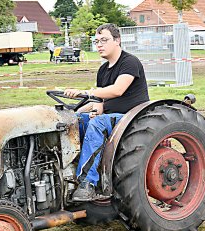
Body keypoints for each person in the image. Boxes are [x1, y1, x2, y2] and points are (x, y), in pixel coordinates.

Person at [64, 23, 149, 201]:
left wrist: (86, 92)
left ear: (117, 40)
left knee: (98, 123)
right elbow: (100, 102)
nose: (99, 45)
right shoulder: (103, 70)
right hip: (110, 116)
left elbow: (117, 90)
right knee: (75, 120)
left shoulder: (129, 62)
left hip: (131, 118)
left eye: (104, 40)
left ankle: (88, 182)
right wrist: (77, 111)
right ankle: (67, 174)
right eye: (97, 41)